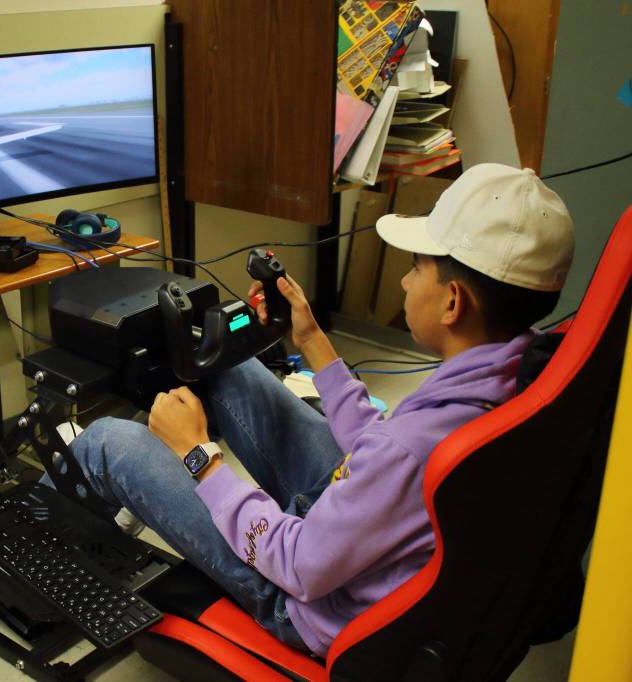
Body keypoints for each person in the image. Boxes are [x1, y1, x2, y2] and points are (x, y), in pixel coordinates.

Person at [56, 163, 575, 656]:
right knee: (227, 369)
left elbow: (297, 563)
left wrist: (198, 456)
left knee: (109, 442)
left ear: (452, 302)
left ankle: (36, 561)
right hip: (364, 544)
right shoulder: (515, 373)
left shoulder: (412, 448)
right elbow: (383, 451)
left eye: (417, 269)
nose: (405, 281)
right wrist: (310, 339)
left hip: (308, 598)